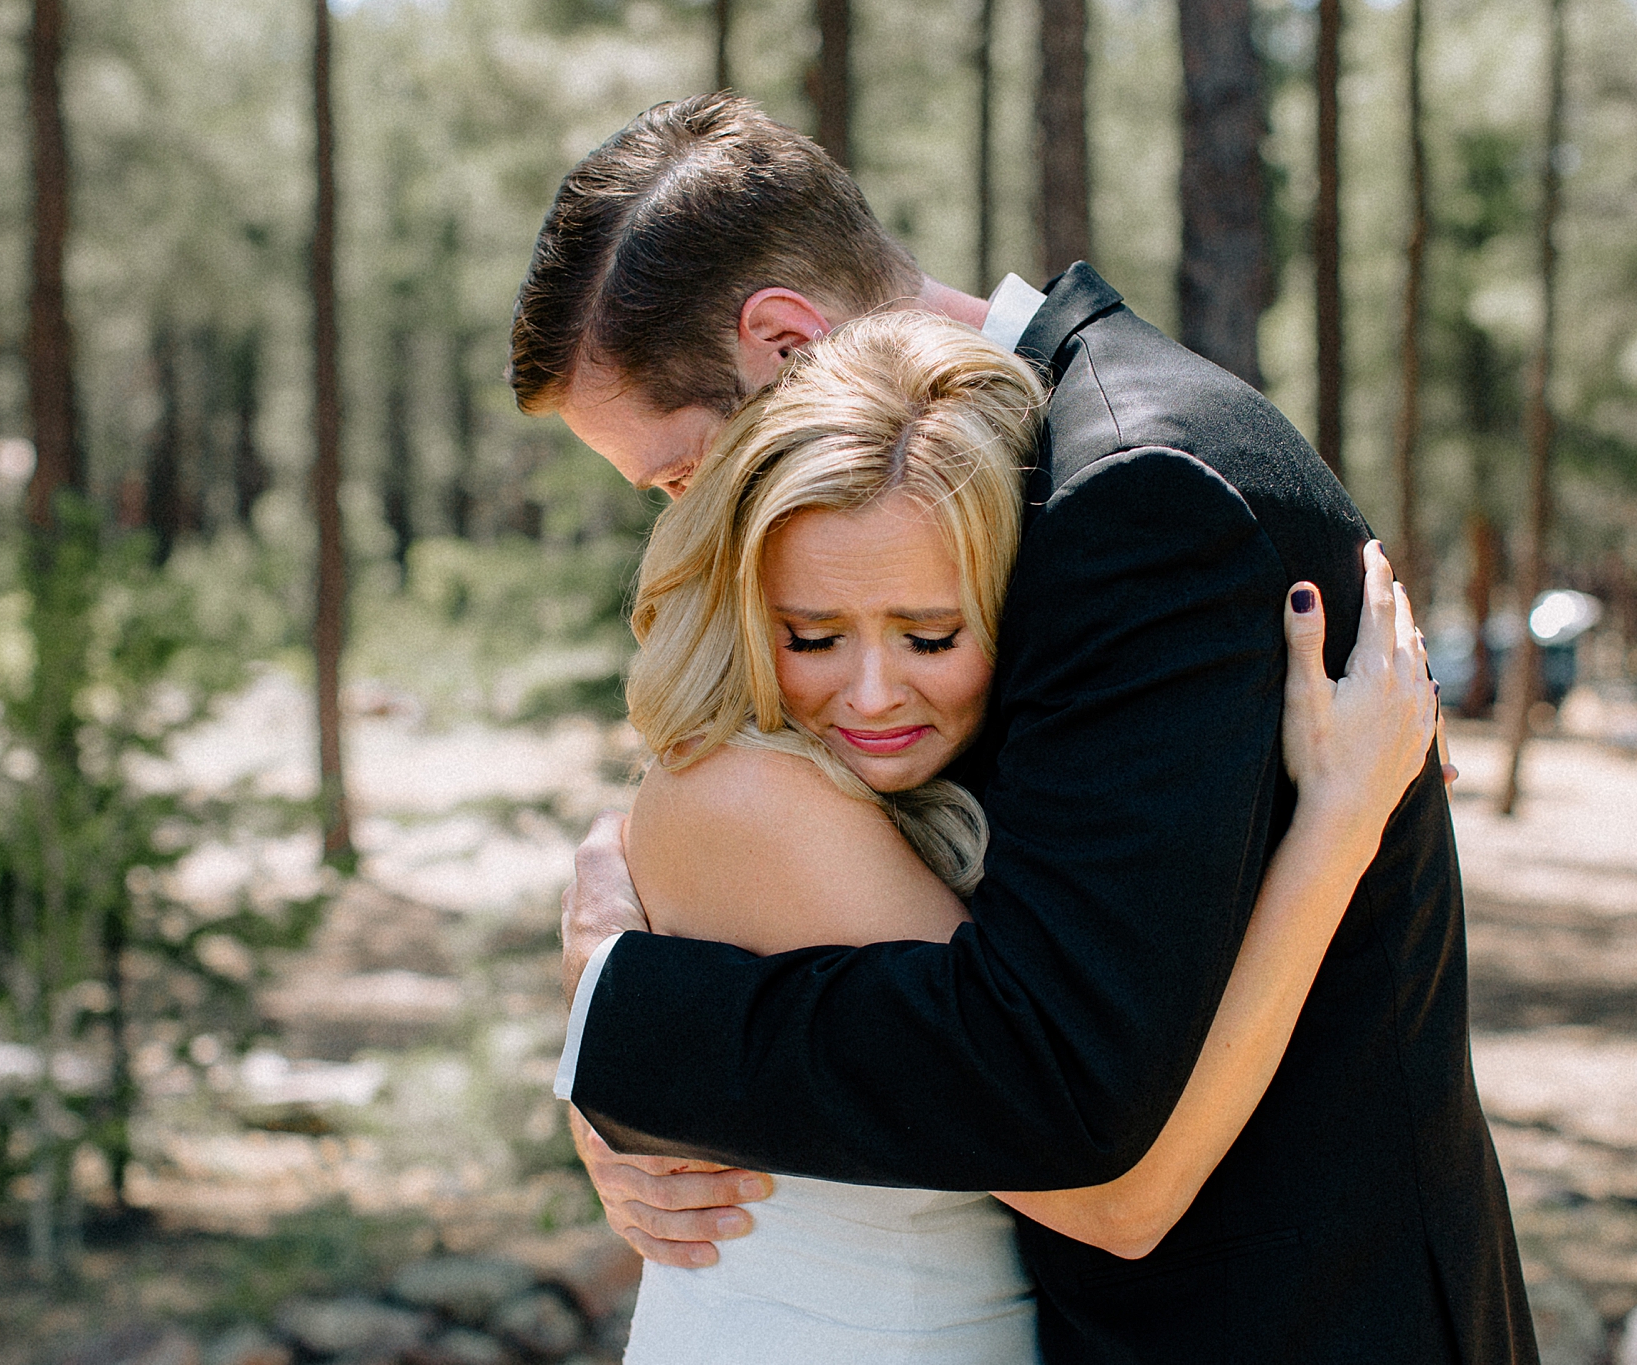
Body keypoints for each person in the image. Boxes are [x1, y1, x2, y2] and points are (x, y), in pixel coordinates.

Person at [511, 93, 1538, 1362]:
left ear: (785, 349)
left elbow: (1055, 1088)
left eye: (677, 477)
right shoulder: (1006, 477)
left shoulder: (1127, 496)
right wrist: (622, 932)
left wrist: (633, 1020)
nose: (685, 525)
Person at [611, 310, 1439, 1362]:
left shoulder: (908, 792)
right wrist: (1335, 824)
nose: (870, 693)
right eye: (810, 636)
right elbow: (1118, 1199)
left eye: (929, 635)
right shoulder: (762, 802)